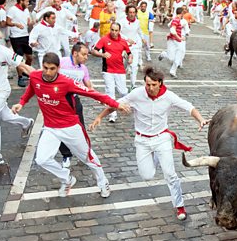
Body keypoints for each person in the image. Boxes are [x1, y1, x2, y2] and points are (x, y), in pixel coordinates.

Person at [89, 66, 209, 220]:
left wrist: (200, 119)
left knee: (170, 174)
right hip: (142, 140)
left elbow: (189, 107)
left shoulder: (169, 96)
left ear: (160, 83)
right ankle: (156, 158)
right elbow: (115, 104)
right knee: (147, 175)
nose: (150, 88)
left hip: (161, 139)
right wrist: (100, 117)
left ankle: (179, 205)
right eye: (147, 84)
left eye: (153, 85)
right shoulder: (137, 94)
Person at [11, 52, 130, 197]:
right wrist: (21, 103)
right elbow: (31, 89)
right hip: (50, 128)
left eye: (52, 69)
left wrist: (116, 104)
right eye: (46, 68)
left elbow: (94, 94)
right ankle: (67, 178)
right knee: (41, 159)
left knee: (88, 158)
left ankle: (102, 181)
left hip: (70, 127)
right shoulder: (35, 76)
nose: (48, 72)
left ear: (58, 68)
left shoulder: (66, 82)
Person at [0, 24, 34, 166]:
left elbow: (22, 65)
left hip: (1, 90)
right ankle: (27, 123)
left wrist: (40, 76)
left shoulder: (3, 51)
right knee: (6, 116)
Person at [58, 42, 95, 167]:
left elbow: (89, 86)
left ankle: (84, 152)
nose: (86, 57)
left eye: (87, 55)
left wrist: (98, 96)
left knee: (80, 128)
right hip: (60, 102)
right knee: (61, 129)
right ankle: (66, 155)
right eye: (84, 54)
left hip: (74, 101)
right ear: (75, 53)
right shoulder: (61, 62)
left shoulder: (83, 69)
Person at [91, 22, 132, 123]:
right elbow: (94, 51)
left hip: (120, 70)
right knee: (110, 92)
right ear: (110, 29)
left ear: (119, 31)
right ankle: (112, 115)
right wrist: (102, 54)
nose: (114, 32)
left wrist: (130, 59)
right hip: (108, 70)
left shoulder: (123, 41)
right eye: (112, 30)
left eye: (116, 30)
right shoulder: (104, 39)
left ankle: (127, 103)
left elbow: (129, 53)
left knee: (122, 91)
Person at [6, 0, 34, 87]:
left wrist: (31, 23)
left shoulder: (26, 10)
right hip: (16, 37)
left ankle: (25, 70)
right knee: (19, 58)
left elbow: (28, 21)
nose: (28, 3)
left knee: (29, 57)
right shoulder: (12, 10)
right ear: (21, 1)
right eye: (27, 1)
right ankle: (20, 77)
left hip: (25, 35)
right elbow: (7, 22)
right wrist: (15, 24)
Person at [119, 4, 146, 89]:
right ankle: (120, 84)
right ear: (127, 13)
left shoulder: (137, 22)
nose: (132, 14)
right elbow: (118, 32)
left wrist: (142, 38)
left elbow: (139, 30)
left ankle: (132, 85)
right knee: (122, 67)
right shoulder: (122, 21)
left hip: (134, 47)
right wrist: (127, 39)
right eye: (130, 12)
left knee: (134, 66)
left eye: (134, 12)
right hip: (123, 46)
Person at [158, 7, 185, 78]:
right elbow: (172, 30)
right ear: (181, 13)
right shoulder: (176, 20)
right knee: (171, 58)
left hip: (178, 41)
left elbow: (169, 25)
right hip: (172, 40)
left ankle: (173, 71)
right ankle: (163, 54)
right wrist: (179, 37)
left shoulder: (177, 19)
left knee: (179, 55)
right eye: (183, 13)